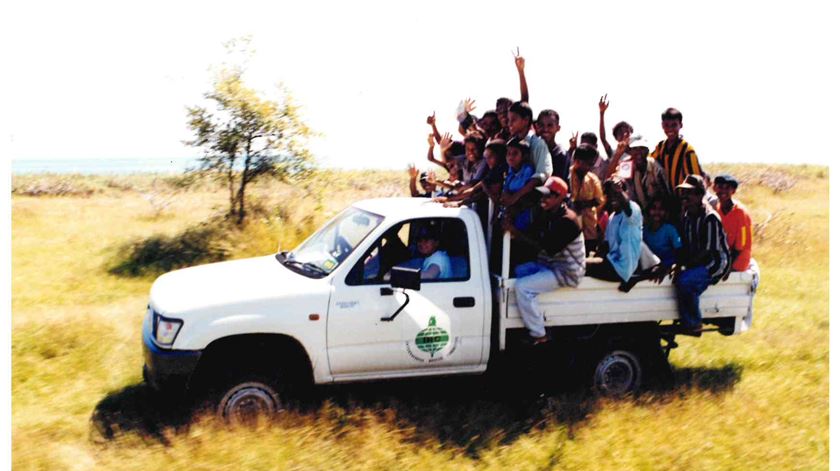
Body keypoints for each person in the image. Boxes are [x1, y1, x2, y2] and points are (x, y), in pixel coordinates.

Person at [502, 177, 585, 345]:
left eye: (549, 196)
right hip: (550, 264)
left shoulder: (567, 220)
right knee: (518, 272)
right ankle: (535, 316)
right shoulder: (549, 212)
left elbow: (544, 247)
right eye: (543, 195)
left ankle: (539, 334)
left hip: (566, 271)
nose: (544, 199)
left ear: (560, 198)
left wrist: (515, 232)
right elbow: (533, 233)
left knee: (522, 287)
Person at [673, 175, 730, 335]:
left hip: (714, 264)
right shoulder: (686, 216)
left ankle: (694, 323)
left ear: (699, 195)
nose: (685, 197)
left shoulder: (710, 218)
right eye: (683, 193)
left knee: (686, 281)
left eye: (689, 193)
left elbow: (707, 251)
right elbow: (685, 244)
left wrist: (686, 266)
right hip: (697, 262)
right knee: (680, 277)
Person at [586, 179, 643, 288]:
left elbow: (627, 207)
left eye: (615, 193)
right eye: (608, 194)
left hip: (624, 269)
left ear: (624, 192)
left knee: (581, 266)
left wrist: (618, 190)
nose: (612, 197)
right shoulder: (612, 217)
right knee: (580, 263)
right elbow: (606, 247)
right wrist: (592, 256)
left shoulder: (633, 208)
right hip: (613, 264)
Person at [650, 107, 703, 195]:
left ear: (680, 125)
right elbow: (649, 162)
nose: (670, 129)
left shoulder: (687, 150)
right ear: (662, 125)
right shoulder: (660, 147)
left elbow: (696, 180)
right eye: (667, 125)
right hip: (666, 198)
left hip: (683, 199)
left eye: (674, 125)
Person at [607, 134, 667, 210]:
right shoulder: (627, 166)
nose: (638, 152)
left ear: (647, 150)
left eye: (642, 148)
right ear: (630, 152)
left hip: (656, 211)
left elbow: (665, 193)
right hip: (638, 211)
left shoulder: (655, 166)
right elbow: (610, 177)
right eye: (635, 149)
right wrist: (618, 154)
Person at [569, 143, 605, 255]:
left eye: (592, 164)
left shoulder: (593, 179)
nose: (590, 167)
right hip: (571, 229)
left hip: (589, 230)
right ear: (577, 161)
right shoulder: (567, 174)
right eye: (588, 164)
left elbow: (599, 200)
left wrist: (583, 204)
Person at [713, 174, 752, 272]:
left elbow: (741, 245)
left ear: (733, 191)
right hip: (723, 257)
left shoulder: (740, 212)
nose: (723, 191)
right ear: (715, 189)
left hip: (738, 259)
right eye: (720, 187)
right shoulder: (716, 209)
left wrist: (728, 267)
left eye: (727, 188)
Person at [643, 195, 682, 269]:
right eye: (654, 208)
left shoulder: (670, 230)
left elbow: (679, 252)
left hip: (668, 267)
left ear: (666, 212)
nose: (657, 212)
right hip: (651, 267)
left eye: (661, 209)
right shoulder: (645, 231)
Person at [537, 109, 570, 184]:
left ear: (558, 128)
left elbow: (557, 185)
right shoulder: (532, 149)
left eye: (550, 125)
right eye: (541, 125)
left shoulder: (560, 154)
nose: (545, 129)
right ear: (537, 126)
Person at [597, 94, 634, 160]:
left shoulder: (640, 151)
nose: (624, 134)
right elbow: (603, 139)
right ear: (616, 138)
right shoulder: (613, 153)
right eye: (620, 133)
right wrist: (601, 113)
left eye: (627, 132)